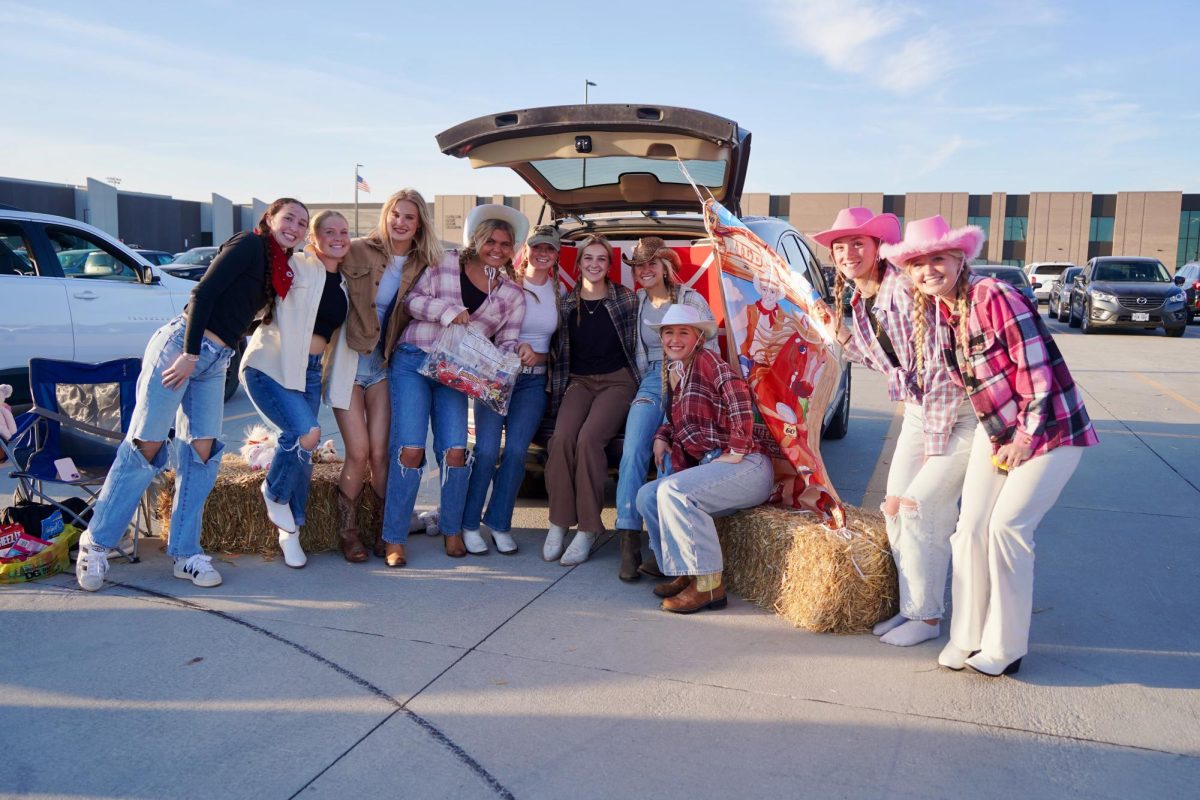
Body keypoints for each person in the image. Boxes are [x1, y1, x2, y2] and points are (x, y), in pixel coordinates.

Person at [882, 215, 1098, 675]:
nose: (927, 270)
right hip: (996, 430)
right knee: (969, 529)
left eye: (937, 258)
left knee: (1007, 529)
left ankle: (1006, 647)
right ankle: (967, 638)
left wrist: (1024, 438)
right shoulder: (943, 309)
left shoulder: (993, 296)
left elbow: (1037, 372)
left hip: (1053, 429)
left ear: (960, 258)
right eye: (917, 263)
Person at [76, 198, 309, 591]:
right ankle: (96, 543)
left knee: (202, 452)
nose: (296, 226)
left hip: (216, 361)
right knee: (146, 446)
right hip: (182, 348)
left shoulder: (277, 267)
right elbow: (203, 294)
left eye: (303, 223)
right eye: (289, 218)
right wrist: (189, 353)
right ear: (269, 219)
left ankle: (185, 553)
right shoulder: (249, 245)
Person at [813, 207, 977, 647]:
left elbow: (941, 361)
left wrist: (932, 440)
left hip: (959, 412)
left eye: (857, 244)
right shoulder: (858, 300)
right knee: (893, 510)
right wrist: (842, 336)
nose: (848, 253)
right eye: (840, 246)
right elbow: (887, 364)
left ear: (877, 246)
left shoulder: (903, 286)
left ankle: (928, 619)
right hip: (921, 410)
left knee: (921, 507)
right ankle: (913, 609)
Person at [380, 204, 526, 566]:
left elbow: (506, 342)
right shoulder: (444, 262)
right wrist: (447, 313)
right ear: (476, 240)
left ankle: (451, 529)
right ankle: (394, 538)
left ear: (512, 249)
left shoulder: (511, 295)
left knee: (456, 452)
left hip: (457, 373)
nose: (497, 248)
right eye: (490, 240)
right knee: (410, 449)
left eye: (505, 244)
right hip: (415, 358)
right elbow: (411, 301)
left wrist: (514, 355)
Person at [634, 304, 774, 613]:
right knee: (647, 495)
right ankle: (684, 571)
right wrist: (662, 436)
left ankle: (710, 586)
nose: (674, 339)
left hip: (747, 466)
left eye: (683, 332)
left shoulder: (708, 361)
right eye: (668, 332)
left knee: (674, 492)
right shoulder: (679, 372)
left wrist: (737, 448)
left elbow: (738, 394)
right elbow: (679, 420)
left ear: (698, 337)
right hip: (717, 465)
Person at [327, 189, 437, 561]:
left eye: (409, 217)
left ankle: (384, 531)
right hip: (347, 359)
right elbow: (315, 269)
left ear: (419, 223)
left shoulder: (423, 264)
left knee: (380, 454)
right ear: (386, 215)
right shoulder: (356, 249)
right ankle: (349, 533)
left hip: (384, 363)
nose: (400, 223)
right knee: (357, 453)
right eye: (395, 214)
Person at [240, 210, 349, 568]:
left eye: (344, 232)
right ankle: (272, 493)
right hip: (272, 365)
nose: (337, 237)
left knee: (302, 452)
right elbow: (264, 262)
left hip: (310, 373)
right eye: (327, 231)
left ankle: (291, 534)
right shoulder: (297, 266)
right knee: (307, 432)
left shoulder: (345, 280)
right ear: (312, 239)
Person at [613, 237, 716, 581]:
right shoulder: (636, 302)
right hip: (650, 382)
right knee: (632, 450)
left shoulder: (691, 299)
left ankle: (665, 548)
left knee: (671, 455)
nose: (644, 271)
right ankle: (628, 540)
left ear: (665, 267)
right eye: (639, 266)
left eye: (651, 264)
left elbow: (709, 343)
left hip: (686, 380)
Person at [460, 224, 561, 555]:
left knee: (517, 452)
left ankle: (499, 522)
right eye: (537, 248)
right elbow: (483, 329)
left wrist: (539, 355)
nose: (543, 254)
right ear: (526, 252)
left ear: (557, 255)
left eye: (550, 249)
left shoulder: (561, 293)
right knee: (487, 451)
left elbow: (561, 347)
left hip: (534, 381)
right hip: (497, 376)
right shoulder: (505, 286)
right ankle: (469, 524)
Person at [543, 234, 639, 566]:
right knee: (561, 439)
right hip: (579, 382)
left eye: (601, 259)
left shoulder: (626, 300)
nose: (594, 264)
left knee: (588, 440)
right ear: (579, 262)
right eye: (588, 258)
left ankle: (587, 528)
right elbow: (553, 348)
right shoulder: (566, 304)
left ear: (610, 266)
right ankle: (558, 522)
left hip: (618, 381)